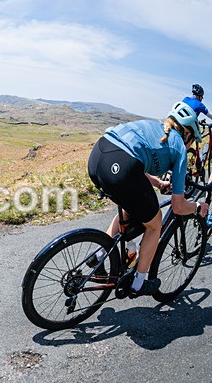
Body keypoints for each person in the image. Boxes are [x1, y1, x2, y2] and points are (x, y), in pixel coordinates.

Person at [87, 101, 209, 296]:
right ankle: (138, 283)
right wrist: (197, 207)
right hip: (121, 167)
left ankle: (99, 255)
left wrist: (159, 184)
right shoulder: (179, 147)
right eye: (192, 141)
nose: (189, 145)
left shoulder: (155, 127)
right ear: (187, 134)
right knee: (155, 222)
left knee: (129, 206)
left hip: (99, 156)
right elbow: (178, 207)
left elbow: (135, 160)